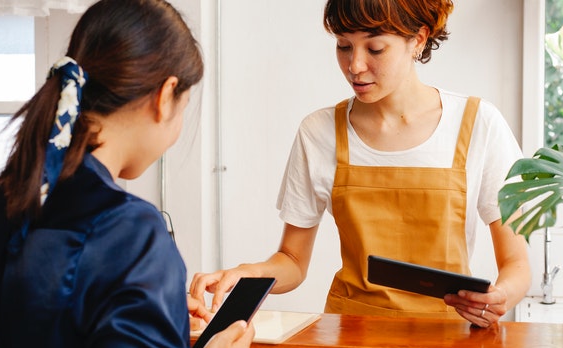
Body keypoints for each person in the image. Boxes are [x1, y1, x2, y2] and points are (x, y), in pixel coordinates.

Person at [0, 0, 254, 348]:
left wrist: (152, 323)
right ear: (165, 97)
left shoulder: (4, 202)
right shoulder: (131, 234)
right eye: (184, 106)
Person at [191, 0, 531, 328]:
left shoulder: (477, 125)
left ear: (419, 39)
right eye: (343, 46)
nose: (354, 65)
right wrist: (245, 274)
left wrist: (500, 296)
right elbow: (292, 261)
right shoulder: (319, 131)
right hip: (350, 339)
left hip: (448, 341)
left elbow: (516, 264)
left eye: (375, 49)